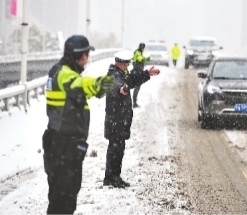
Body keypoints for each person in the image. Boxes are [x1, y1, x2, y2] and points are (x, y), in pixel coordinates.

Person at [42, 35, 114, 214]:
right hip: (64, 145)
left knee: (59, 198)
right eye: (86, 54)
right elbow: (78, 84)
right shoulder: (64, 74)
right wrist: (98, 84)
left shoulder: (57, 70)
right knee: (64, 201)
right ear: (79, 55)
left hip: (59, 144)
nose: (87, 59)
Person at [103, 50, 160, 188]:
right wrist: (121, 89)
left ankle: (114, 176)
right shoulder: (113, 75)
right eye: (127, 62)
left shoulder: (121, 73)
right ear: (121, 63)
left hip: (120, 119)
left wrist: (147, 74)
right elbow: (118, 86)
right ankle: (111, 178)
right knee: (115, 150)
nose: (129, 65)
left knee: (118, 149)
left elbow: (132, 80)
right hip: (115, 119)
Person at [131, 42, 150, 108]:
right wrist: (146, 59)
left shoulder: (138, 52)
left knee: (137, 87)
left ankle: (134, 102)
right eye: (143, 47)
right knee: (137, 87)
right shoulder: (138, 52)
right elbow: (140, 59)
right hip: (137, 72)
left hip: (138, 72)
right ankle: (134, 102)